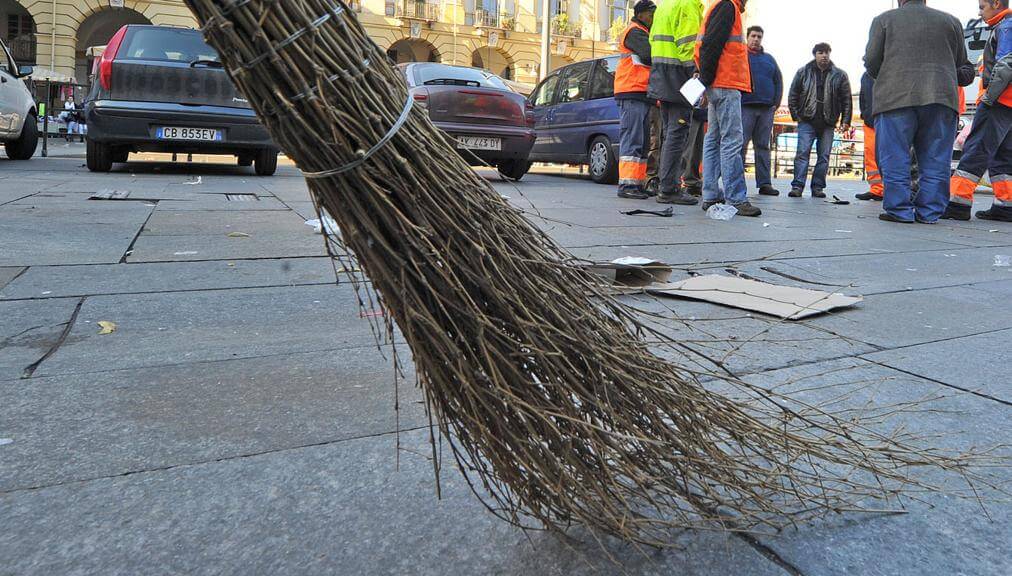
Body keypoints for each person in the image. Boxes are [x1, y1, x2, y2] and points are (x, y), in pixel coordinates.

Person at [865, 0, 974, 224]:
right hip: (941, 98)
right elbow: (962, 64)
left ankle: (899, 210)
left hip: (896, 98)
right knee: (936, 159)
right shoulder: (951, 22)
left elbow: (872, 62)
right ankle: (930, 212)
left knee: (895, 156)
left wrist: (892, 76)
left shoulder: (884, 20)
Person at [942, 0, 1012, 222]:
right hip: (1009, 104)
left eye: (983, 7)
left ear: (996, 4)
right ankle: (1006, 204)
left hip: (999, 101)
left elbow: (1005, 65)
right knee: (1003, 156)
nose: (980, 12)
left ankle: (957, 203)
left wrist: (989, 98)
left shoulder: (1006, 26)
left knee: (976, 149)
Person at [694, 0, 762, 217]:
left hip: (718, 83)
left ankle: (711, 195)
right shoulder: (728, 7)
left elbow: (709, 44)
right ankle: (736, 197)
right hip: (726, 82)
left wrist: (705, 80)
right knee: (732, 139)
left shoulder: (719, 6)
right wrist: (706, 79)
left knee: (713, 139)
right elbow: (713, 44)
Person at [648, 0, 703, 205]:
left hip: (662, 78)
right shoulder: (687, 5)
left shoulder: (664, 5)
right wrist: (695, 72)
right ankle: (669, 188)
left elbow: (653, 40)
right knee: (677, 134)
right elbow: (687, 45)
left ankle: (666, 185)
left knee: (669, 134)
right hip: (678, 79)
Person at [787, 43, 852, 199]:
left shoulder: (840, 75)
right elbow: (793, 95)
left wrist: (846, 121)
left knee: (824, 156)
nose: (824, 55)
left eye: (827, 52)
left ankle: (817, 187)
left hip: (828, 122)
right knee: (802, 154)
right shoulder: (803, 72)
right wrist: (797, 116)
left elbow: (846, 100)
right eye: (820, 52)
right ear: (815, 54)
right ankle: (797, 186)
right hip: (807, 121)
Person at [614, 0, 657, 200]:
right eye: (650, 13)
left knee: (641, 141)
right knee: (632, 140)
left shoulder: (642, 32)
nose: (653, 17)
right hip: (631, 91)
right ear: (640, 14)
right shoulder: (634, 32)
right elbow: (649, 55)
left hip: (640, 93)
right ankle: (627, 184)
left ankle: (636, 183)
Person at [740, 25, 783, 197]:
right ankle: (737, 182)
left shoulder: (769, 59)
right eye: (753, 36)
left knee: (763, 147)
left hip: (766, 109)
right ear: (747, 37)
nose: (756, 39)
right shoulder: (740, 56)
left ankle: (765, 184)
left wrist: (776, 103)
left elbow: (778, 80)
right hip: (745, 107)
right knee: (740, 146)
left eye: (759, 36)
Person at [857, 72, 884, 201]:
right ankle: (876, 189)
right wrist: (864, 114)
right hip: (870, 121)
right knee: (871, 155)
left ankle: (886, 189)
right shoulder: (866, 76)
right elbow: (863, 98)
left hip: (885, 119)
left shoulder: (889, 70)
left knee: (888, 155)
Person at [680, 104, 707, 195]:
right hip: (689, 104)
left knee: (697, 149)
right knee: (689, 148)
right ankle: (684, 181)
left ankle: (692, 181)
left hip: (699, 107)